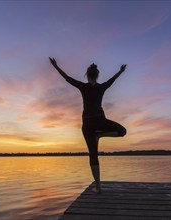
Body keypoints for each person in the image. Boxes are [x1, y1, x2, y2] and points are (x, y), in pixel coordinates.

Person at [49, 57, 127, 193]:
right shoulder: (101, 87)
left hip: (88, 124)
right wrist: (121, 71)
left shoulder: (83, 86)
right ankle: (101, 135)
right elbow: (112, 80)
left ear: (87, 74)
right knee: (122, 131)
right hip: (100, 120)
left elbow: (67, 78)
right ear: (97, 75)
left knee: (93, 154)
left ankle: (98, 187)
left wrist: (55, 66)